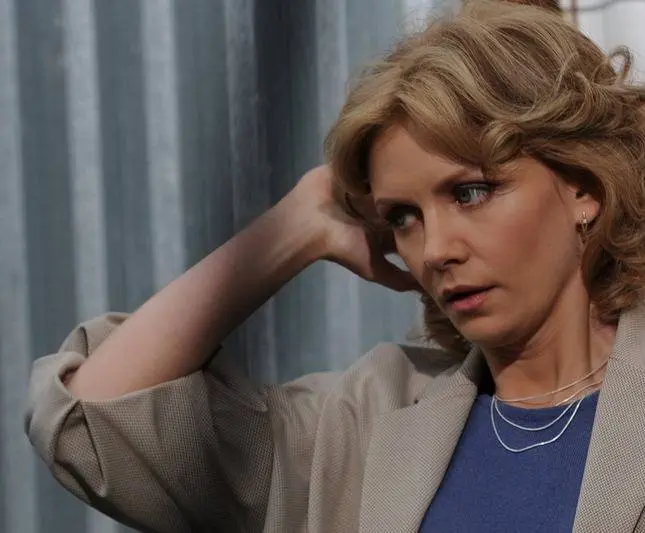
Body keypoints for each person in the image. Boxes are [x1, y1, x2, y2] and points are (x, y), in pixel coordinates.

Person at [25, 1, 645, 532]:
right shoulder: (366, 426)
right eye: (403, 216)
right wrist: (302, 223)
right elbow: (92, 418)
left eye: (470, 192)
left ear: (583, 187)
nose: (435, 249)